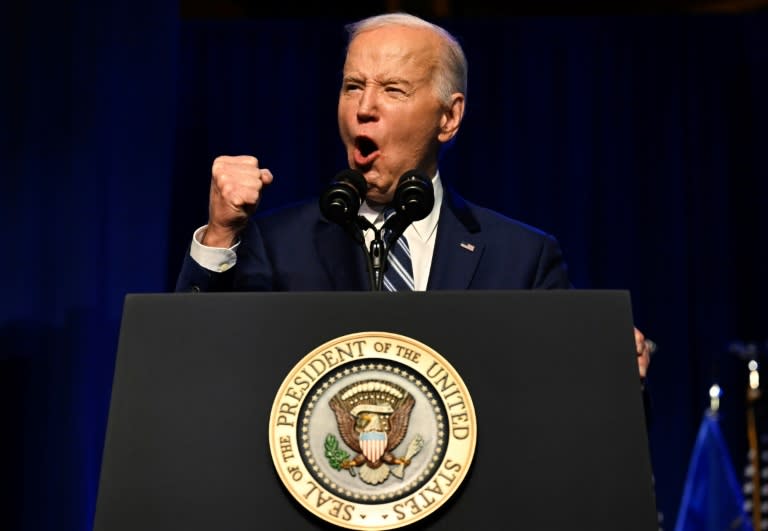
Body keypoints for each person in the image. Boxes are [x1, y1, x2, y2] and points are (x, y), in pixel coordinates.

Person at [174, 12, 654, 379]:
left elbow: (569, 406)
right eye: (353, 86)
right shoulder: (276, 245)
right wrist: (220, 234)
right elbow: (197, 370)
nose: (364, 108)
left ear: (449, 117)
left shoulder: (521, 260)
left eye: (393, 90)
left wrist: (613, 375)